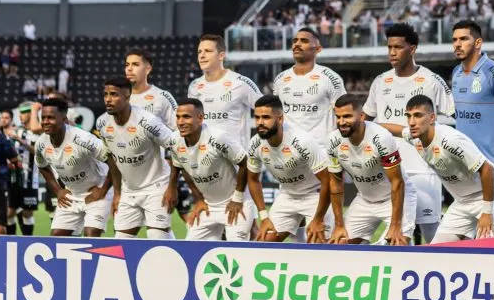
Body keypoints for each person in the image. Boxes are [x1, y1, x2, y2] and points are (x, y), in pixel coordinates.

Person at [363, 21, 452, 243]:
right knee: (401, 233)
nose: (392, 53)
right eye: (389, 47)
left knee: (433, 235)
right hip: (390, 172)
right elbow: (366, 119)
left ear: (412, 49)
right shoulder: (380, 82)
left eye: (398, 47)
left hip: (424, 170)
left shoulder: (431, 81)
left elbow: (451, 119)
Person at [404, 95, 494, 243]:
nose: (412, 122)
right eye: (408, 116)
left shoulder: (450, 140)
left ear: (432, 118)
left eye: (417, 116)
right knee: (436, 251)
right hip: (463, 201)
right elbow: (397, 130)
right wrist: (366, 125)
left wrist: (487, 212)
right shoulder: (415, 137)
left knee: (488, 250)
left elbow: (487, 169)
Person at [450, 20, 494, 246]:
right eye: (454, 40)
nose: (457, 44)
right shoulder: (456, 73)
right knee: (475, 229)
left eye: (464, 39)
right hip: (467, 167)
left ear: (478, 42)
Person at [95, 76, 182, 239]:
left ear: (127, 96)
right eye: (105, 94)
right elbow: (112, 159)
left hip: (157, 187)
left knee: (157, 238)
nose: (108, 99)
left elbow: (175, 146)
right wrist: (117, 193)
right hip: (129, 191)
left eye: (114, 94)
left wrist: (171, 187)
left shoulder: (148, 122)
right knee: (121, 243)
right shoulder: (102, 123)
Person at [246, 95, 334, 243]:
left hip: (315, 196)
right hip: (287, 195)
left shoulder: (302, 141)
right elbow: (253, 180)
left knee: (320, 247)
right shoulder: (255, 143)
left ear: (279, 119)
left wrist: (318, 219)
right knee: (262, 244)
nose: (260, 123)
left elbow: (328, 181)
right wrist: (264, 216)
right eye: (257, 117)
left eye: (266, 117)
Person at [327, 95, 411, 246]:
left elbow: (397, 182)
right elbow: (336, 183)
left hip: (394, 199)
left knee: (397, 244)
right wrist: (339, 225)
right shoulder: (333, 141)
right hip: (364, 200)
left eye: (347, 116)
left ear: (361, 116)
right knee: (338, 245)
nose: (341, 122)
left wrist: (396, 225)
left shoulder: (381, 138)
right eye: (338, 117)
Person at [172, 98, 254, 241]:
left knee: (236, 251)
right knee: (190, 248)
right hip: (208, 206)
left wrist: (237, 198)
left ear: (200, 118)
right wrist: (198, 199)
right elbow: (183, 168)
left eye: (186, 117)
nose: (180, 122)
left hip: (234, 204)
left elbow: (246, 163)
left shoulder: (218, 138)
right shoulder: (174, 140)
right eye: (178, 117)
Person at [127, 47, 192, 222]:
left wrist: (175, 171)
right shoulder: (120, 99)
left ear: (147, 68)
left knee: (161, 229)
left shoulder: (162, 97)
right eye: (127, 65)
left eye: (135, 64)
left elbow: (178, 134)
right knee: (124, 233)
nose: (129, 69)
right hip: (130, 180)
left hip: (159, 177)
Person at [34, 97, 115, 237]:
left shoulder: (83, 139)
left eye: (51, 117)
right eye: (43, 117)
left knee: (91, 236)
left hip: (96, 191)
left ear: (64, 119)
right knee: (56, 238)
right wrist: (58, 190)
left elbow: (115, 161)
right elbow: (42, 167)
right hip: (71, 194)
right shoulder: (41, 144)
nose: (46, 121)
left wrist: (103, 190)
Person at [188, 34, 262, 145]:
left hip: (235, 160)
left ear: (221, 56)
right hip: (204, 158)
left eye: (208, 51)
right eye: (199, 52)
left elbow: (269, 111)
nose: (202, 56)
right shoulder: (194, 86)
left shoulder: (241, 83)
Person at [272, 27, 345, 139]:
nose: (297, 44)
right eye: (295, 41)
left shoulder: (331, 78)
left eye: (304, 41)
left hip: (321, 150)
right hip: (289, 150)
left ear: (318, 49)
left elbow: (344, 114)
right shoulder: (280, 79)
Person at [3, 103, 41, 235]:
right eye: (19, 113)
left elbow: (38, 152)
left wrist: (21, 140)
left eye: (23, 113)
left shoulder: (38, 132)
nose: (20, 116)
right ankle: (11, 241)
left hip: (31, 179)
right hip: (14, 178)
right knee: (9, 212)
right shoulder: (16, 130)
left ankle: (27, 241)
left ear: (31, 114)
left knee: (27, 213)